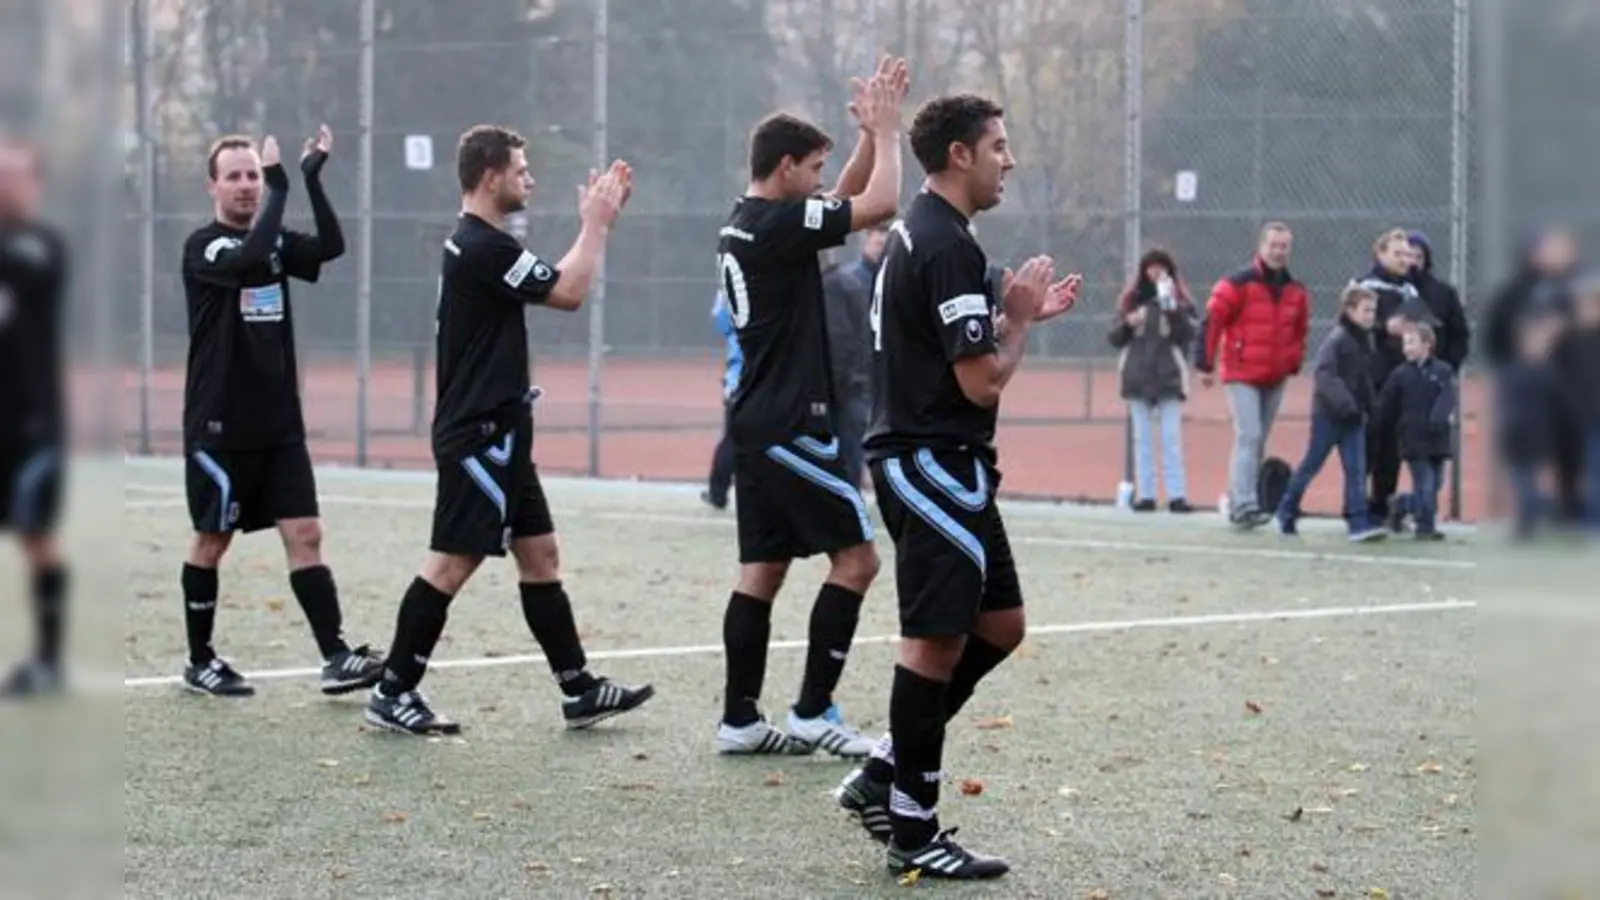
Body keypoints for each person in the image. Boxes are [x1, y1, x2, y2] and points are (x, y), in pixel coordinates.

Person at [837, 92, 1081, 880]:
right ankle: (913, 826)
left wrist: (1015, 313)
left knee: (999, 624)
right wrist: (1015, 325)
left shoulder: (934, 233)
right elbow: (980, 383)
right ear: (959, 156)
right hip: (932, 460)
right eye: (999, 146)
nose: (1010, 159)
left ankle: (884, 771)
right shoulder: (943, 243)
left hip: (947, 463)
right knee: (934, 643)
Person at [364, 125, 654, 735]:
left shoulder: (484, 243)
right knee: (451, 563)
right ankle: (393, 690)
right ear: (490, 175)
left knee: (540, 556)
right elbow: (568, 291)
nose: (530, 179)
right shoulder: (481, 246)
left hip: (504, 433)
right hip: (479, 436)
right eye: (521, 170)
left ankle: (578, 689)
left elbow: (556, 281)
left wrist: (593, 226)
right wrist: (597, 223)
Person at [711, 55, 907, 759]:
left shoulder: (751, 220)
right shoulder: (774, 227)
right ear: (786, 166)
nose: (823, 181)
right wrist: (887, 134)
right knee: (856, 562)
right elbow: (876, 206)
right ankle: (814, 711)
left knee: (761, 572)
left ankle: (739, 720)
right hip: (795, 421)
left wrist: (856, 145)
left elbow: (837, 207)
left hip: (756, 420)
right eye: (815, 167)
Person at [178, 127, 383, 698]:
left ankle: (336, 656)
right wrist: (277, 189)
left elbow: (329, 247)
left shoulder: (270, 241)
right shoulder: (206, 246)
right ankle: (200, 660)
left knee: (306, 533)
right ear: (212, 187)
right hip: (220, 426)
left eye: (252, 175)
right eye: (235, 177)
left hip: (278, 427)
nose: (246, 186)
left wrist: (310, 181)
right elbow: (245, 260)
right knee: (212, 540)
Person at [0, 138, 71, 696]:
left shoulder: (40, 248)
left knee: (36, 537)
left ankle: (48, 659)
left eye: (14, 176)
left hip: (30, 428)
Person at [1195, 222, 1310, 529]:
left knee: (1258, 441)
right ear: (1261, 247)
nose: (1278, 252)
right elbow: (1213, 320)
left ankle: (1245, 501)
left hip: (1275, 376)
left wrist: (1293, 362)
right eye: (1273, 245)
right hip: (1241, 372)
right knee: (1250, 435)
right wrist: (1204, 363)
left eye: (1284, 246)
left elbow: (1300, 330)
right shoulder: (1237, 283)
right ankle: (1243, 504)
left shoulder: (1295, 290)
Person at [1273, 283, 1387, 542]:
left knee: (1356, 470)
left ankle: (1357, 522)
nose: (1371, 316)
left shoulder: (1364, 341)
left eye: (1373, 311)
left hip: (1354, 419)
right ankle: (1285, 512)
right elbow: (1325, 376)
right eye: (1366, 310)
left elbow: (1364, 379)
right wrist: (1347, 405)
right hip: (1329, 417)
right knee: (1311, 465)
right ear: (1349, 310)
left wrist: (1371, 406)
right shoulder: (1338, 340)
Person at [1356, 228, 1439, 526]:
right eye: (1398, 254)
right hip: (1371, 376)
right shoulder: (1365, 285)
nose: (1405, 260)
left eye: (1407, 254)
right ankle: (1355, 506)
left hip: (1400, 378)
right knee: (1367, 442)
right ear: (1380, 254)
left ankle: (1382, 506)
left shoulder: (1411, 290)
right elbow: (1354, 324)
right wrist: (1384, 326)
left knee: (1392, 446)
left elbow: (1424, 326)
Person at [1107, 248, 1195, 513]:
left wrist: (1171, 308)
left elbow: (1188, 334)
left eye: (1161, 268)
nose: (1155, 273)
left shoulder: (1179, 302)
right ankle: (1146, 494)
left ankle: (1177, 495)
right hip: (1137, 376)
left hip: (1168, 377)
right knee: (1142, 439)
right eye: (1151, 268)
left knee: (1171, 438)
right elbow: (1114, 337)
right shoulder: (1131, 301)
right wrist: (1128, 325)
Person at [1376, 323, 1458, 540]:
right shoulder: (1400, 375)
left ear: (1428, 344)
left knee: (1435, 485)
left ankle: (1401, 504)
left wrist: (1439, 418)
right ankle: (1425, 528)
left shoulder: (1443, 371)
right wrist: (1375, 421)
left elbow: (1448, 396)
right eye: (1405, 344)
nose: (1407, 348)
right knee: (1426, 485)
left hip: (1438, 440)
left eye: (1412, 343)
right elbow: (1386, 403)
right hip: (1413, 440)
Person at [824, 227, 889, 488]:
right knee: (849, 440)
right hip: (854, 378)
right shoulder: (849, 281)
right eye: (877, 244)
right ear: (865, 244)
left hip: (879, 370)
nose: (881, 250)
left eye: (885, 245)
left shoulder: (892, 279)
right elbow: (844, 335)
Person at [702, 288, 741, 510]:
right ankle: (718, 492)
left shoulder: (729, 287)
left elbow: (721, 323)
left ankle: (718, 493)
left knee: (734, 440)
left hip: (738, 379)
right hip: (750, 377)